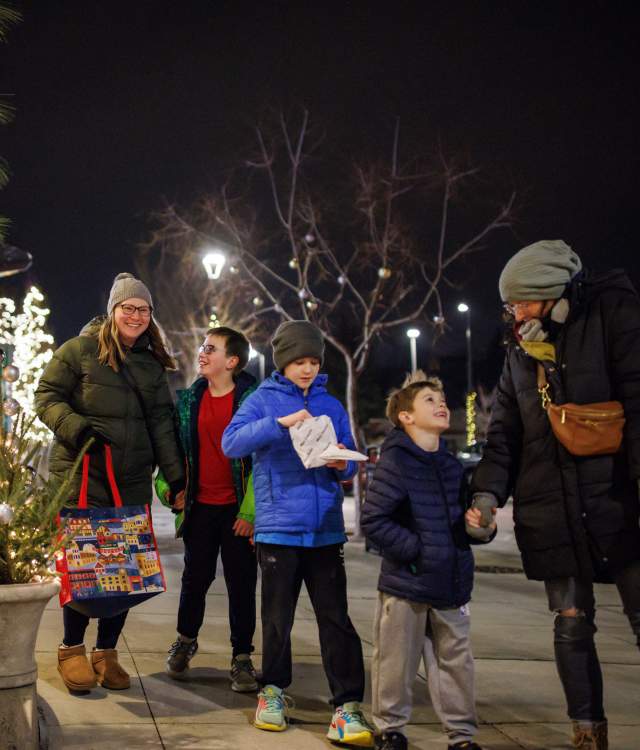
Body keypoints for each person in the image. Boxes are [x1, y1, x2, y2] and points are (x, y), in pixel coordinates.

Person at [470, 240, 640, 750]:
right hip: (552, 506)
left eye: (520, 301)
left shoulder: (614, 316)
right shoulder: (521, 353)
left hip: (617, 499)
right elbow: (504, 435)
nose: (515, 313)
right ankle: (587, 733)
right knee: (570, 622)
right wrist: (486, 496)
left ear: (549, 292)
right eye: (510, 305)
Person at [222, 320, 374, 747]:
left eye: (312, 361)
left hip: (324, 529)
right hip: (278, 528)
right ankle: (272, 692)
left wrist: (340, 463)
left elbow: (347, 452)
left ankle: (346, 705)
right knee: (276, 618)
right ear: (282, 362)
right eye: (298, 362)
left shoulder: (330, 403)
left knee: (336, 619)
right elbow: (231, 443)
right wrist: (280, 423)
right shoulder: (263, 398)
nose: (306, 369)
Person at [35, 272, 185, 693]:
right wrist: (78, 428)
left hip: (132, 480)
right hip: (84, 476)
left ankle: (106, 652)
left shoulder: (151, 364)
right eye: (128, 307)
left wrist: (175, 477)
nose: (135, 315)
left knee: (124, 570)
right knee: (86, 566)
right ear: (113, 311)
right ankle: (70, 649)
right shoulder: (80, 351)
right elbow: (46, 395)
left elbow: (162, 424)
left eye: (143, 309)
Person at [362, 372, 493, 750]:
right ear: (405, 416)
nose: (441, 405)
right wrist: (417, 553)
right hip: (407, 584)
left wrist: (477, 528)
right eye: (429, 401)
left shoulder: (452, 467)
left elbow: (462, 521)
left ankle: (462, 736)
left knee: (456, 663)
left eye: (442, 399)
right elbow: (375, 520)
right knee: (395, 661)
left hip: (451, 582)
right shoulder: (397, 461)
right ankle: (390, 729)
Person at [155, 326, 258, 692]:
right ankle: (185, 641)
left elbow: (263, 463)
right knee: (194, 580)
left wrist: (250, 513)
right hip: (200, 509)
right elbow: (171, 455)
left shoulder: (253, 401)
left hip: (236, 512)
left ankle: (242, 657)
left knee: (242, 584)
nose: (202, 352)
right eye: (203, 346)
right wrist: (171, 490)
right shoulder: (188, 402)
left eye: (211, 348)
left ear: (231, 361)